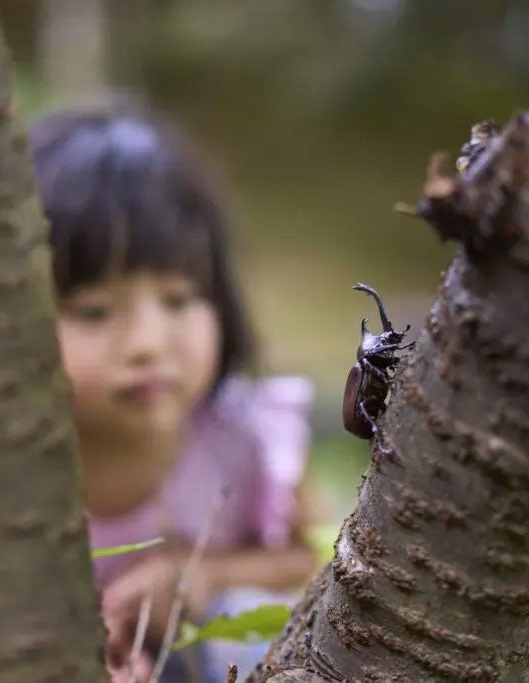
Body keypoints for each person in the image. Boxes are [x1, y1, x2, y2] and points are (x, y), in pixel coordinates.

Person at [29, 96, 319, 682]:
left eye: (179, 300)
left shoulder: (242, 437)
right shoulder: (6, 466)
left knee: (248, 623)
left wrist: (203, 574)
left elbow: (309, 561)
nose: (147, 342)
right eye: (94, 310)